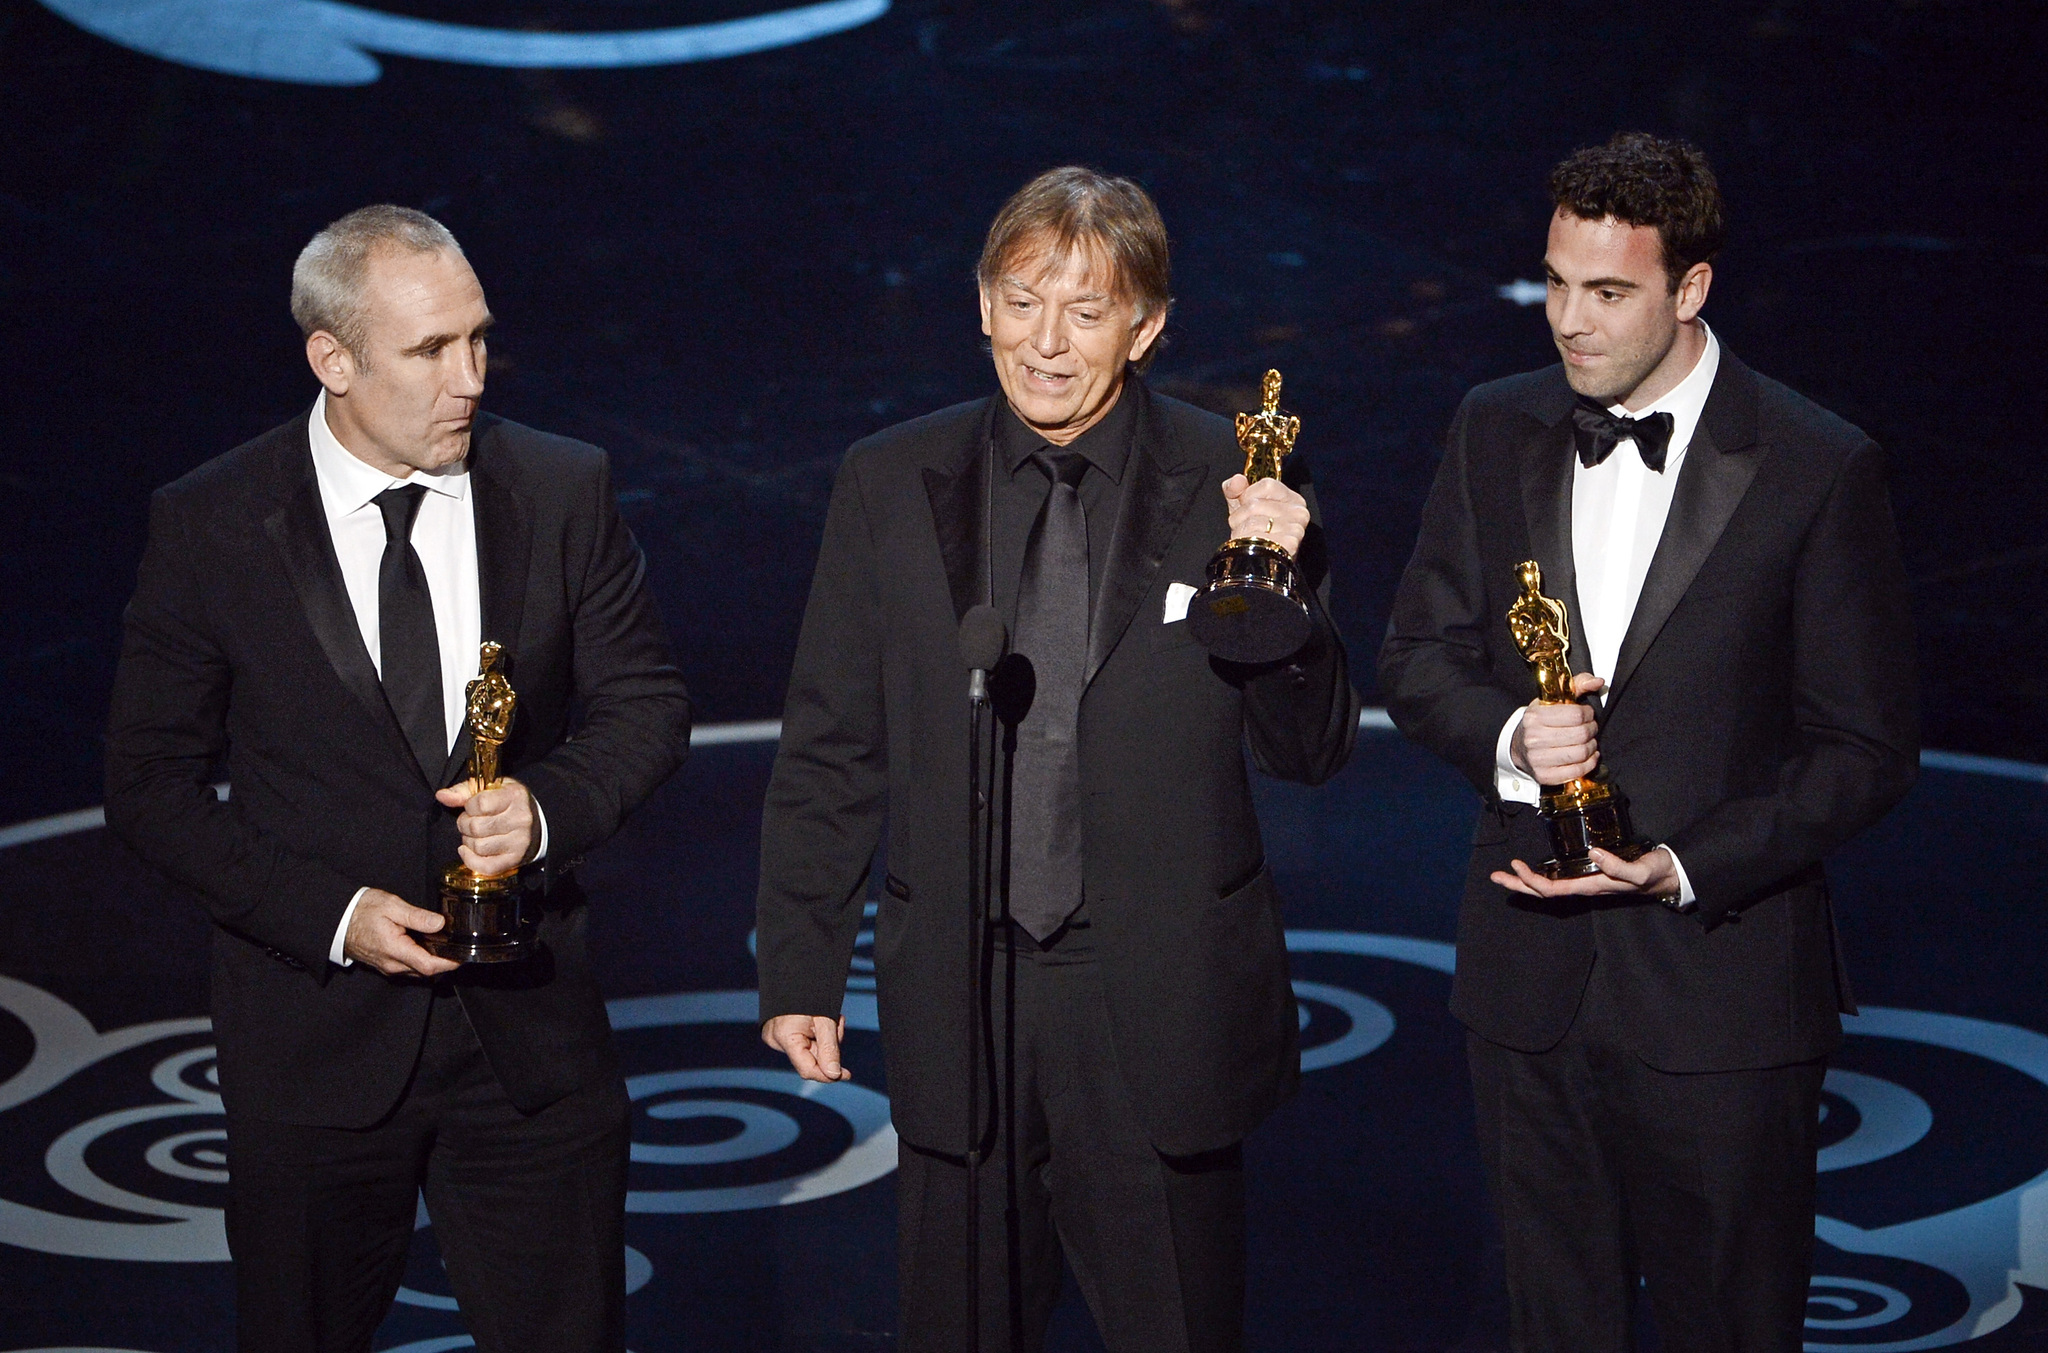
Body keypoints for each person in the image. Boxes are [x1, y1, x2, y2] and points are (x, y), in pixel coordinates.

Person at [754, 166, 1359, 1353]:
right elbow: (833, 737)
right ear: (979, 304)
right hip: (958, 990)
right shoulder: (888, 481)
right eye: (1022, 301)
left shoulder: (1234, 481)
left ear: (1146, 327)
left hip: (1157, 997)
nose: (1045, 343)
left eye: (1086, 312)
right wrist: (801, 965)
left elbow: (1309, 750)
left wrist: (1283, 594)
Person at [104, 205, 692, 1353]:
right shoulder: (213, 523)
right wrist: (332, 917)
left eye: (478, 340)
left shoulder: (561, 488)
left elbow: (646, 702)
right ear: (332, 359)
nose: (468, 379)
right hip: (313, 1052)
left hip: (529, 1046)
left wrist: (546, 808)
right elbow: (151, 787)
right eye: (429, 351)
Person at [1379, 133, 1919, 1352]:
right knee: (1547, 1323)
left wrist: (1680, 863)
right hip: (1528, 983)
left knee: (1727, 1323)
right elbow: (1418, 658)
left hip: (1720, 996)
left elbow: (1863, 746)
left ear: (1690, 289)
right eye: (1555, 283)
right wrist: (1517, 735)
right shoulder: (1492, 425)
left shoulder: (1816, 465)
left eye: (1608, 292)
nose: (1568, 321)